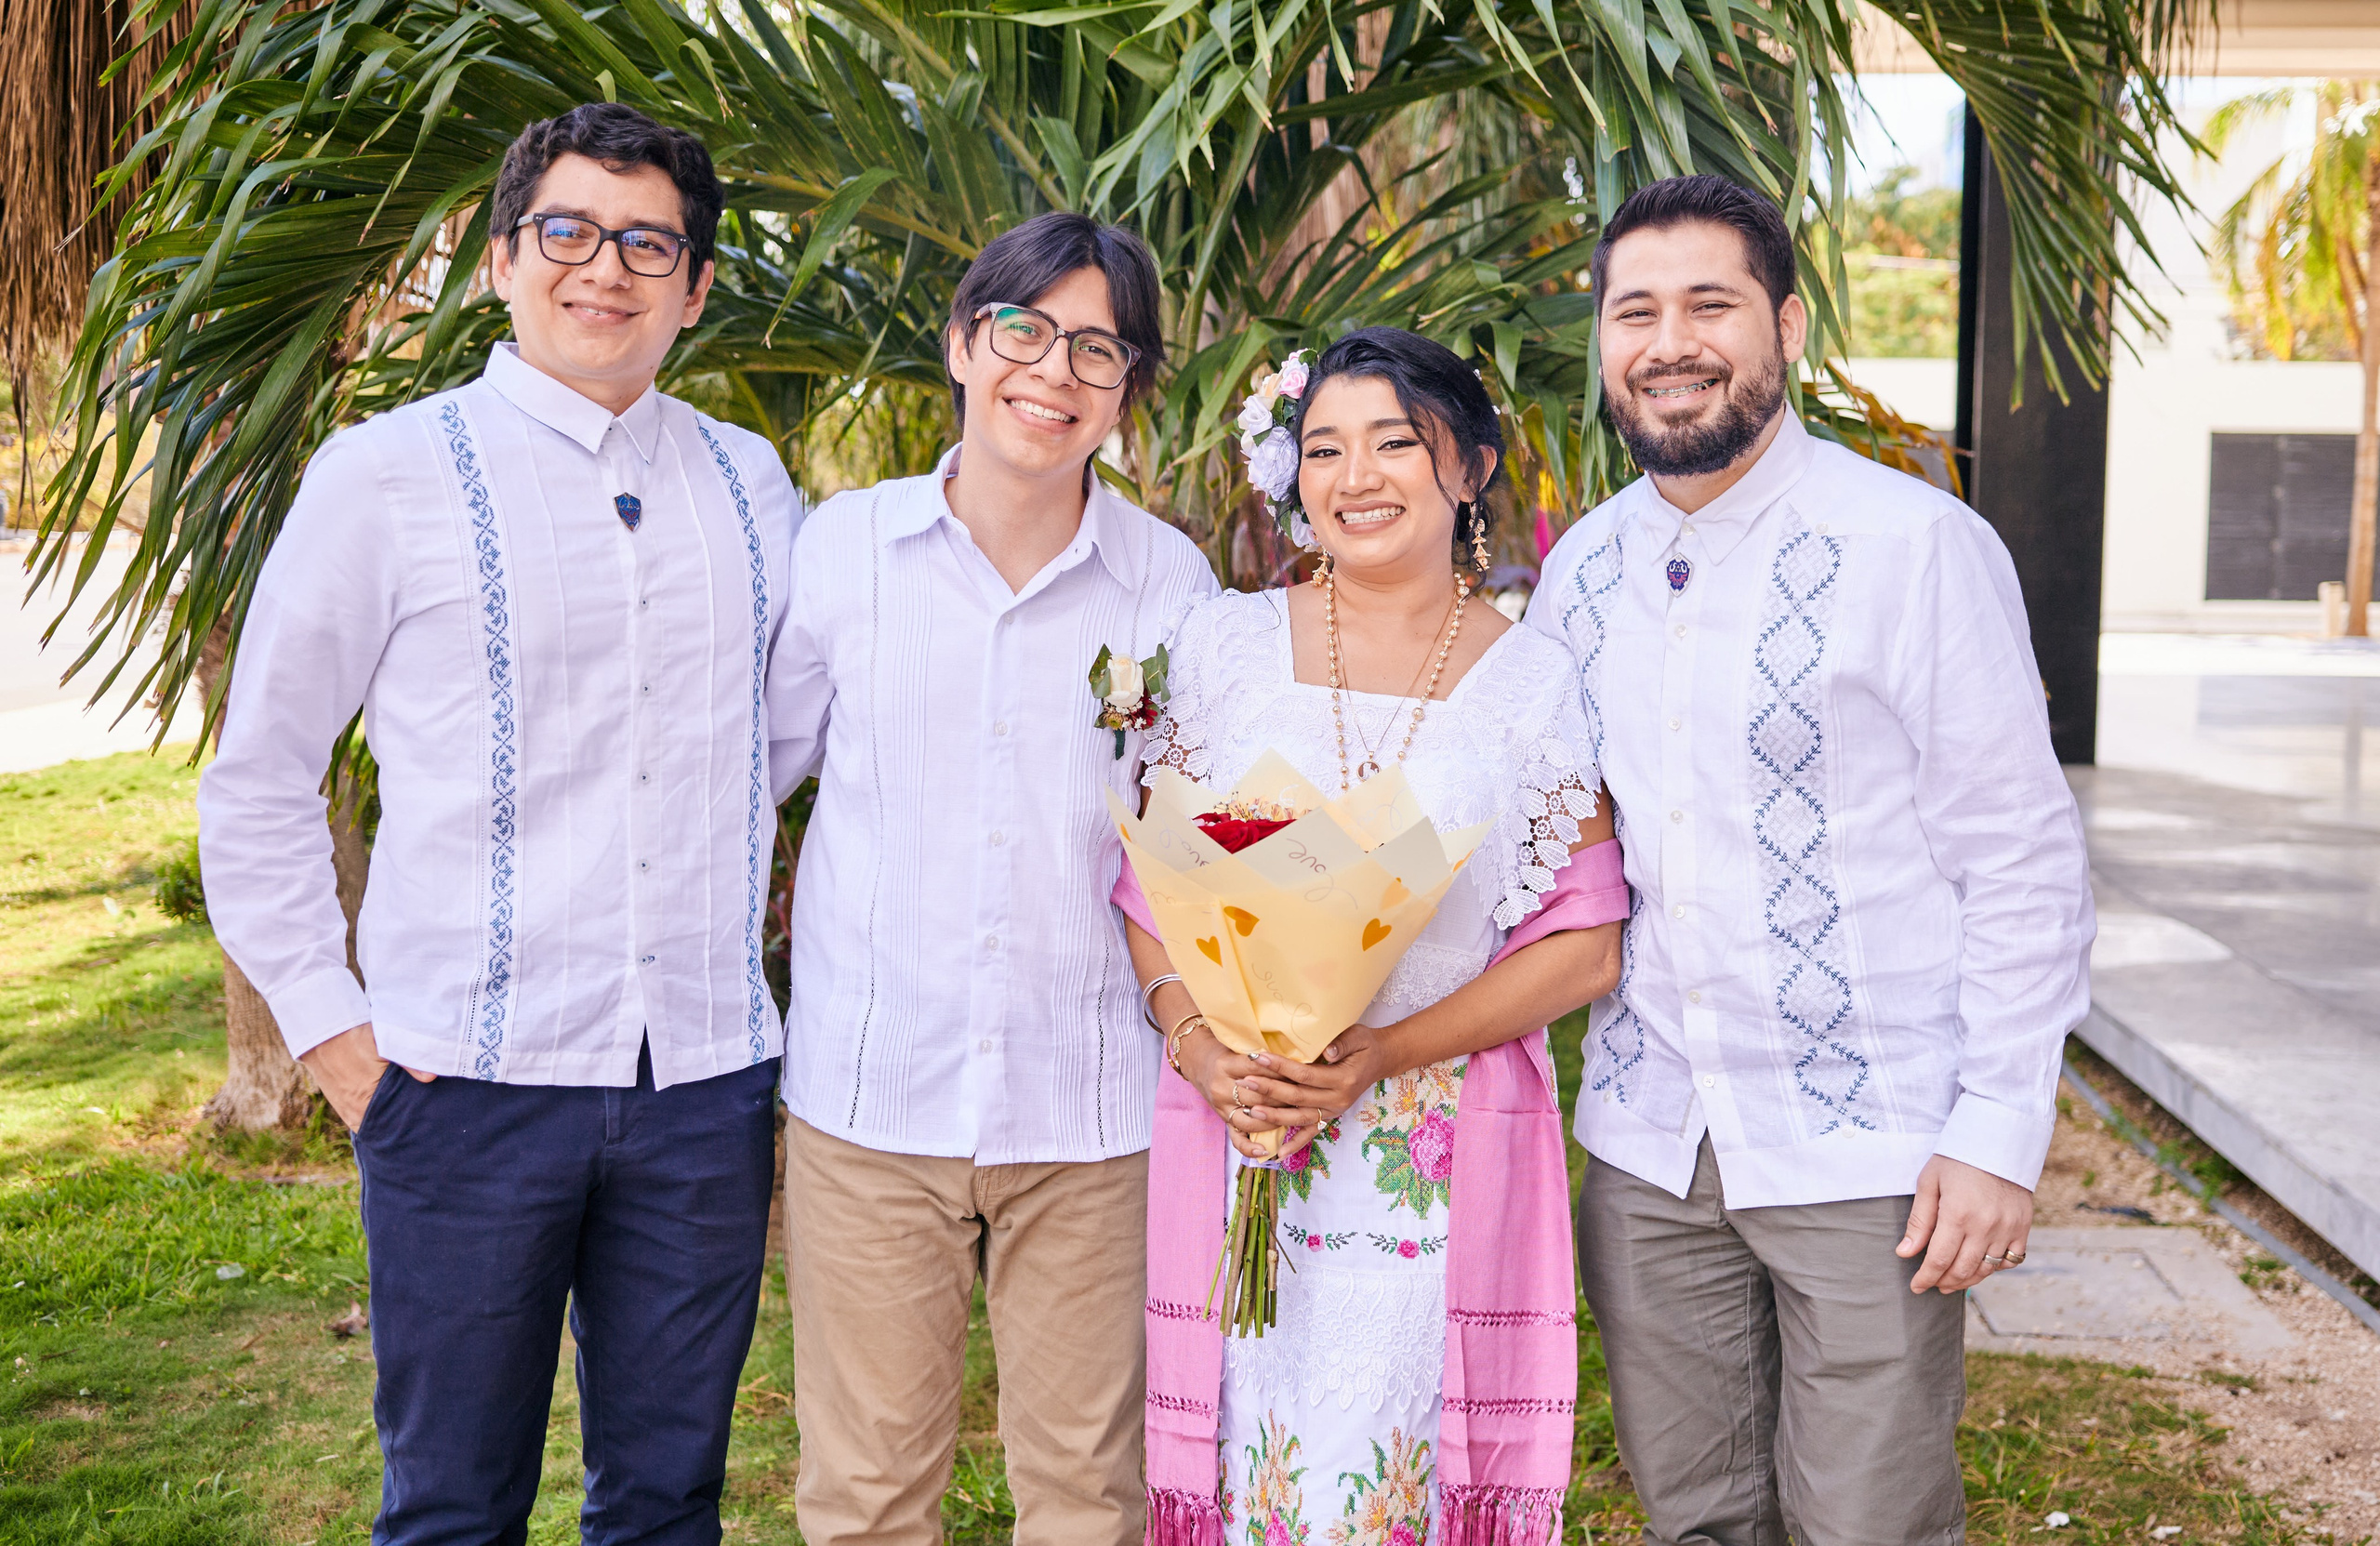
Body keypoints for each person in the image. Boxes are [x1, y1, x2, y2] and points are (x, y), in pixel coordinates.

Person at [196, 103, 802, 1543]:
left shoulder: (752, 484)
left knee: (666, 1505)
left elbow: (775, 746)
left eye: (649, 243)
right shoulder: (385, 476)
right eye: (568, 231)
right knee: (454, 1510)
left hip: (702, 1084)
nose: (606, 268)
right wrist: (336, 1040)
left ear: (697, 287)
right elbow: (260, 774)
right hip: (461, 1086)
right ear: (499, 259)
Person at [1527, 173, 2095, 1545]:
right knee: (1699, 1520)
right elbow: (1550, 846)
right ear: (1602, 341)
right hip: (1653, 1143)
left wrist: (1997, 1132)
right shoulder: (1580, 574)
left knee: (1867, 1524)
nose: (1670, 344)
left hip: (1867, 1143)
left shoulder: (1915, 547)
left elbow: (2022, 857)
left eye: (1709, 305)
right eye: (1635, 312)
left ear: (1785, 326)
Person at [1128, 327, 1631, 1546]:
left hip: (1433, 1144)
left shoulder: (1534, 683)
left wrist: (1383, 1052)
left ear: (1470, 468)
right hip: (1249, 1119)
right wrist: (1205, 1050)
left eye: (1395, 442)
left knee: (1398, 1469)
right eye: (1324, 448)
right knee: (1250, 1466)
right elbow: (1150, 885)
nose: (1356, 476)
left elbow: (1586, 942)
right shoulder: (1225, 648)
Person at [764, 211, 1219, 1546]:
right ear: (964, 345)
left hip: (1092, 1108)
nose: (1054, 372)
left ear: (1127, 389)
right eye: (1025, 331)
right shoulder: (844, 550)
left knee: (1087, 1499)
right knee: (864, 1499)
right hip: (871, 1097)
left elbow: (1191, 839)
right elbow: (756, 778)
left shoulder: (1170, 586)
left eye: (1097, 349)